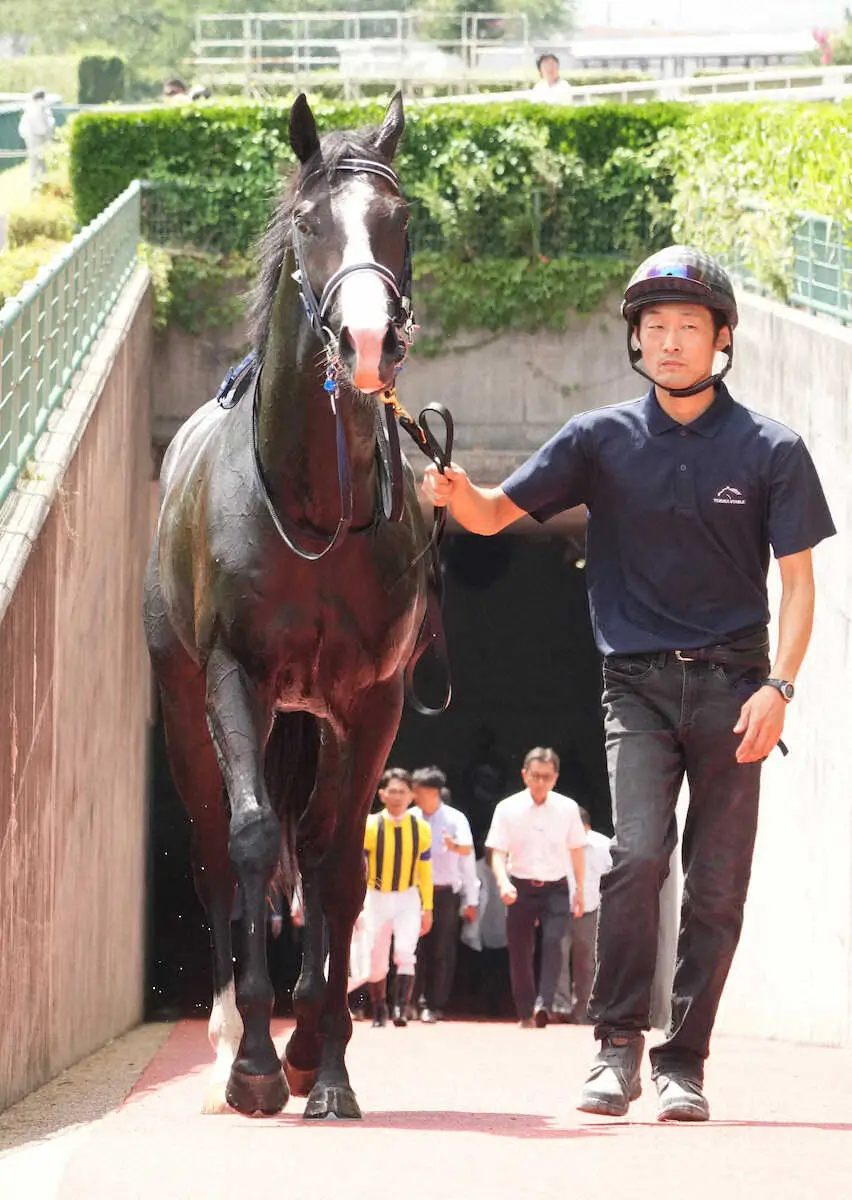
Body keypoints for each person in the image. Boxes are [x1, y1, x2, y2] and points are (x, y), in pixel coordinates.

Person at [422, 244, 835, 1119]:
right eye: (656, 328)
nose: (672, 342)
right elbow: (494, 514)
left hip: (737, 691)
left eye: (690, 326)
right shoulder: (598, 440)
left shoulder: (773, 449)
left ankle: (685, 1062)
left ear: (722, 339)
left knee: (719, 888)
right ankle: (617, 1050)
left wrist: (782, 687)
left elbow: (799, 586)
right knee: (638, 856)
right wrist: (454, 492)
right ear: (636, 342)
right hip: (635, 687)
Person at [484, 747, 586, 1028]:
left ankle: (545, 1003)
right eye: (535, 775)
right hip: (519, 884)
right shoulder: (507, 808)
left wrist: (580, 889)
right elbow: (497, 851)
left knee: (554, 943)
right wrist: (503, 881)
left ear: (555, 778)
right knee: (520, 949)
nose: (541, 782)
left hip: (557, 886)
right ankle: (526, 1009)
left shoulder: (567, 808)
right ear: (524, 775)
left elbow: (577, 850)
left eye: (547, 776)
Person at [363, 768, 433, 1028]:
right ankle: (379, 1008)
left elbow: (425, 871)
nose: (397, 796)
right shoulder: (370, 825)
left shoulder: (421, 829)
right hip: (376, 895)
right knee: (375, 955)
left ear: (412, 796)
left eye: (402, 791)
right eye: (392, 791)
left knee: (406, 952)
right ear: (381, 794)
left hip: (408, 897)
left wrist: (428, 907)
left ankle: (400, 1009)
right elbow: (361, 867)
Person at [411, 768, 480, 1022]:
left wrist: (471, 899)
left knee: (440, 950)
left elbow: (467, 858)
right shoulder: (410, 817)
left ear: (432, 792)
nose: (414, 795)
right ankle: (408, 1002)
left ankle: (433, 1003)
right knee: (411, 948)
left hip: (445, 893)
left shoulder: (455, 819)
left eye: (418, 791)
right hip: (414, 892)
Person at [553, 807, 612, 1024]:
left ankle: (583, 1012)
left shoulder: (603, 846)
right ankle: (559, 1008)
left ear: (586, 827)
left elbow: (613, 879)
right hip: (559, 910)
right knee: (556, 957)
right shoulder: (558, 843)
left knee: (586, 962)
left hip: (590, 911)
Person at [18, 88, 55, 193]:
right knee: (35, 160)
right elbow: (42, 126)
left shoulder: (37, 108)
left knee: (40, 160)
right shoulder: (35, 108)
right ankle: (33, 182)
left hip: (37, 136)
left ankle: (43, 180)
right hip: (34, 137)